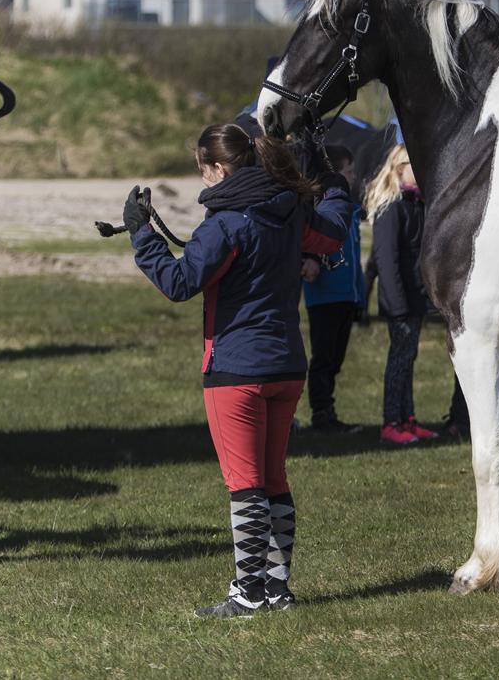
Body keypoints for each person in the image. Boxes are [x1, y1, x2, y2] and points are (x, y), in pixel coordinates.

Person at [125, 123, 351, 618]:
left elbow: (179, 282)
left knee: (245, 484)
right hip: (288, 365)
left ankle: (248, 592)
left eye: (203, 169)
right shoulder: (289, 211)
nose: (203, 179)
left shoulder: (224, 224)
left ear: (218, 169)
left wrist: (142, 234)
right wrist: (335, 184)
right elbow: (332, 234)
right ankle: (276, 587)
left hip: (236, 369)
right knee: (273, 479)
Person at [366, 143, 438, 446]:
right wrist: (396, 304)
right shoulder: (390, 206)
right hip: (400, 301)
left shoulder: (416, 204)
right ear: (399, 168)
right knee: (398, 360)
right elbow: (385, 259)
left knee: (409, 358)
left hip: (416, 297)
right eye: (415, 165)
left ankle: (408, 419)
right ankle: (391, 422)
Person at [301, 145, 366, 434]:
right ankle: (321, 415)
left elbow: (355, 258)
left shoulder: (349, 211)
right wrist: (312, 260)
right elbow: (312, 244)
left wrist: (360, 296)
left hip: (347, 296)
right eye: (348, 172)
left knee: (336, 359)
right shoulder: (321, 211)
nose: (353, 177)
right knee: (324, 359)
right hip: (325, 298)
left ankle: (328, 410)